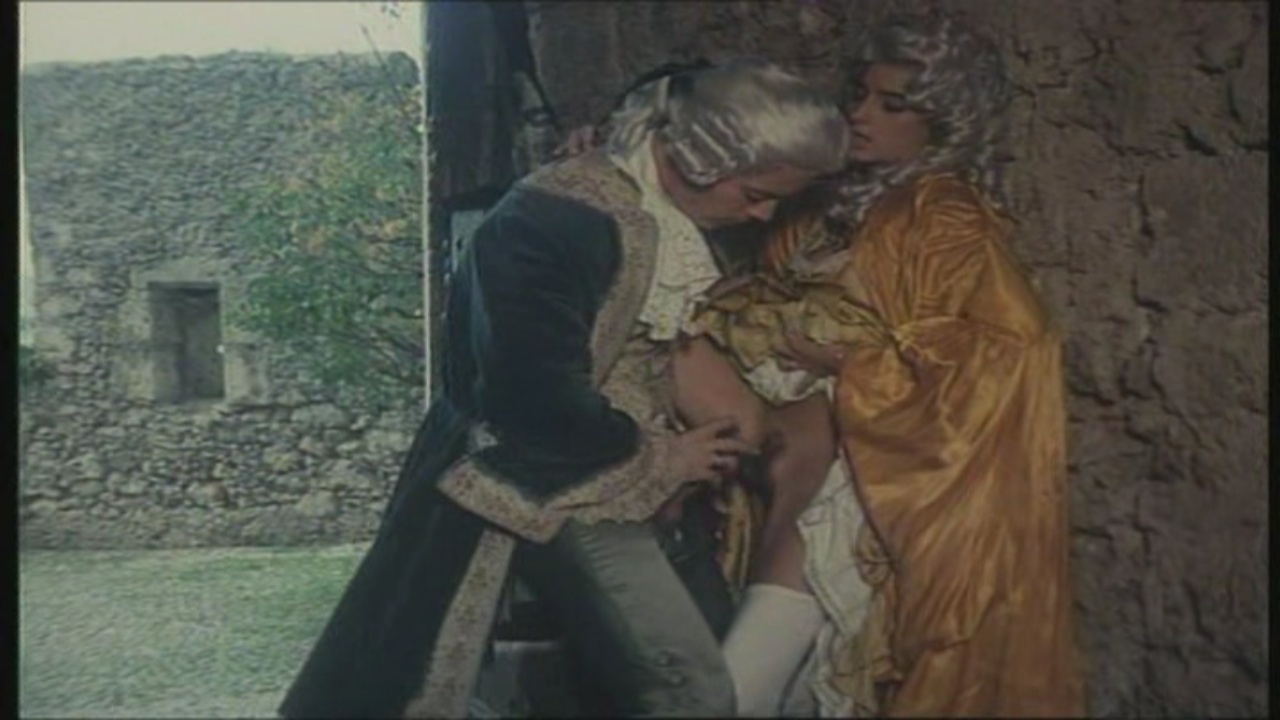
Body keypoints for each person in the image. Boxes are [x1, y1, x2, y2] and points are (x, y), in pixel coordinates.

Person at [276, 57, 850, 719]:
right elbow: (529, 400)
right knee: (692, 688)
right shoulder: (553, 218)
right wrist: (666, 459)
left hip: (628, 478)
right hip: (549, 480)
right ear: (699, 160)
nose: (763, 214)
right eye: (754, 193)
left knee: (696, 666)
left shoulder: (664, 214)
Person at [562, 11, 1087, 718]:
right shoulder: (823, 200)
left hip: (877, 445)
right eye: (860, 94)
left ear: (941, 122)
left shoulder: (944, 216)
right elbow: (717, 261)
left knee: (812, 514)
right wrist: (618, 167)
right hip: (770, 421)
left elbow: (1011, 347)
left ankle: (728, 696)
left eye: (892, 105)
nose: (862, 115)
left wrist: (855, 363)